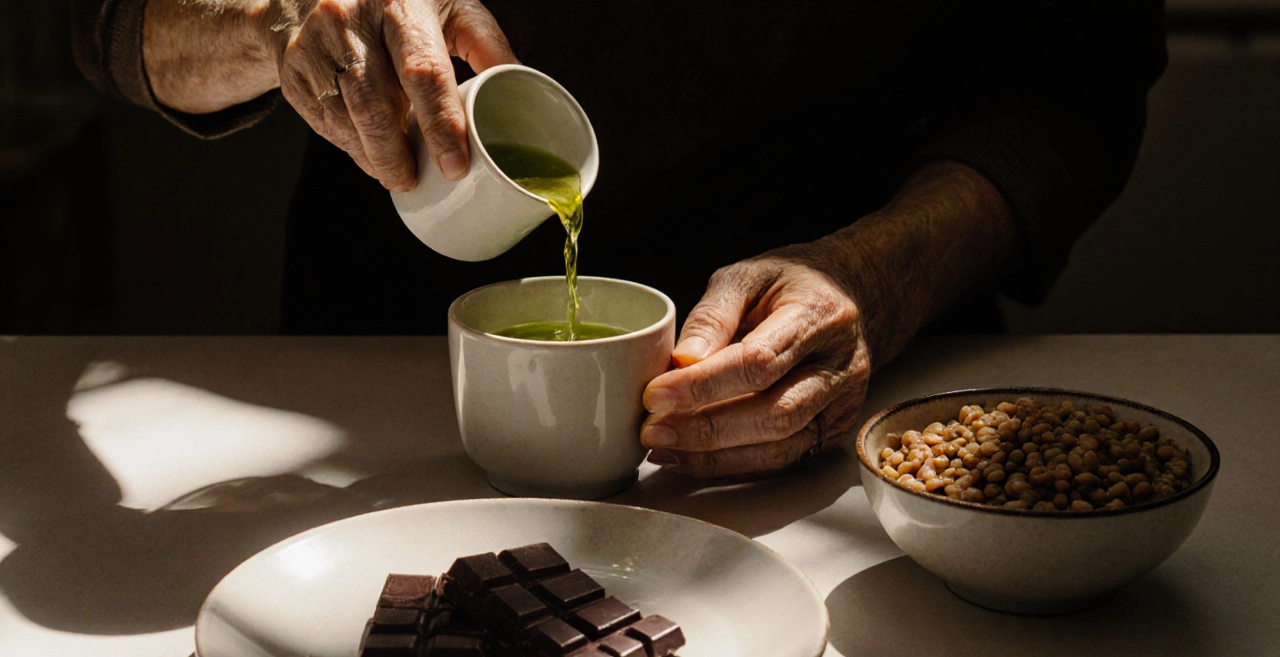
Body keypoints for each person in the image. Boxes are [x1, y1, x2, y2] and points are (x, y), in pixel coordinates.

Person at [71, 0, 1167, 478]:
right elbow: (108, 22)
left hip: (837, 392)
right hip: (370, 413)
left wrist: (887, 269)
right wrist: (271, 19)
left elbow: (1074, 72)